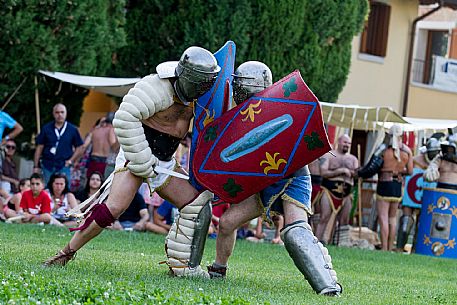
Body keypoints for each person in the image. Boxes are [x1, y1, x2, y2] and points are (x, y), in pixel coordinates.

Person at [43, 46, 221, 278]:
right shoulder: (157, 86)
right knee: (113, 208)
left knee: (196, 205)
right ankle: (65, 253)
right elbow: (125, 118)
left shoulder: (203, 97)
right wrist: (142, 159)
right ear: (187, 77)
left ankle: (181, 265)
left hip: (166, 160)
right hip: (136, 152)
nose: (203, 89)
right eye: (199, 84)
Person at [206, 61, 341, 296]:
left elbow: (299, 145)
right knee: (227, 223)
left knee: (295, 233)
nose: (238, 90)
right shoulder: (237, 116)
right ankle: (219, 270)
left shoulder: (283, 106)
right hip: (259, 184)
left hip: (292, 179)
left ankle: (328, 283)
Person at [358, 125, 413, 251]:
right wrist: (398, 171)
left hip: (384, 184)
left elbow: (372, 166)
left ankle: (384, 247)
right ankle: (389, 247)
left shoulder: (384, 149)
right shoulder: (407, 151)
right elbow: (410, 171)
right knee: (392, 218)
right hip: (397, 186)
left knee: (383, 217)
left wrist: (360, 173)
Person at [396, 137, 440, 252]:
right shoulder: (416, 160)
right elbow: (407, 172)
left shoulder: (439, 163)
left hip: (427, 196)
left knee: (422, 223)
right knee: (406, 220)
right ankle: (400, 247)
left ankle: (416, 249)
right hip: (411, 196)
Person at [315, 135, 358, 244]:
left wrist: (356, 173)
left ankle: (337, 243)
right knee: (324, 217)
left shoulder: (353, 159)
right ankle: (316, 241)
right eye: (345, 142)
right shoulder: (329, 155)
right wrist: (340, 171)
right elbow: (323, 172)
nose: (347, 145)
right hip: (329, 190)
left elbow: (357, 175)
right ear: (339, 142)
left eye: (348, 143)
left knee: (344, 220)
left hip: (347, 192)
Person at [33, 103, 84, 184]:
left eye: (62, 112)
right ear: (53, 114)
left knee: (64, 190)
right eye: (57, 112)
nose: (60, 115)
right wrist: (36, 166)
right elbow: (39, 147)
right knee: (47, 190)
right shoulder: (46, 128)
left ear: (66, 113)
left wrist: (71, 160)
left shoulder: (72, 129)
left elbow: (80, 147)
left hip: (63, 165)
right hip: (47, 165)